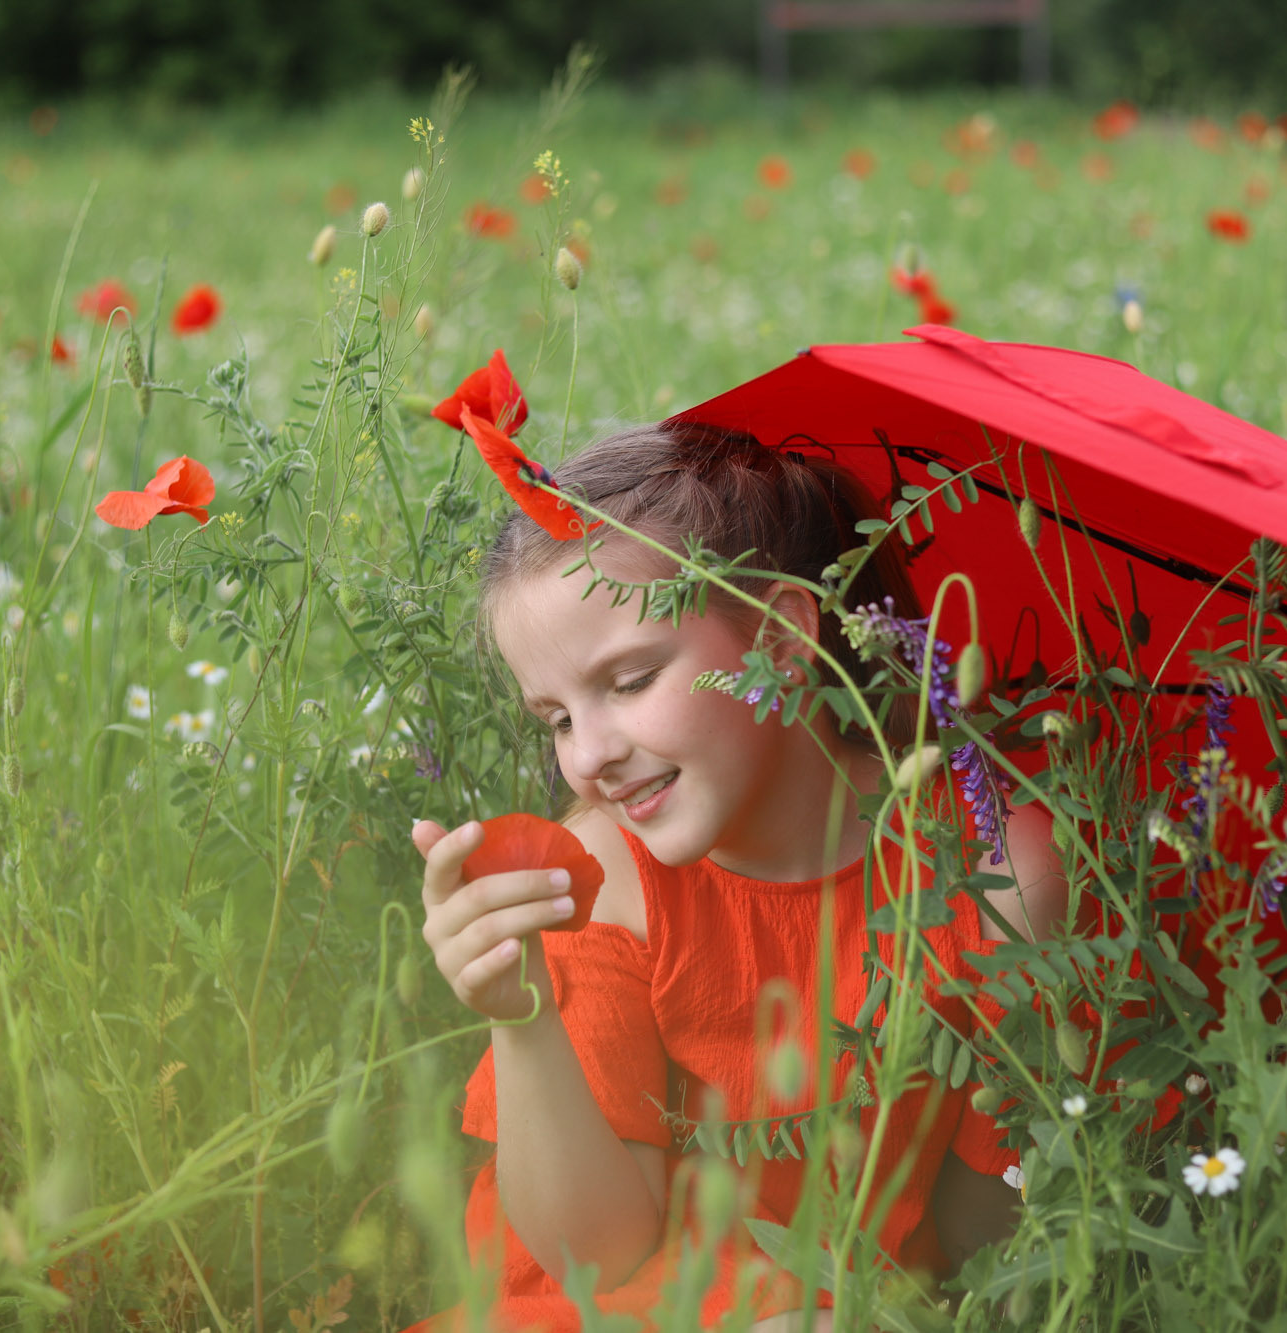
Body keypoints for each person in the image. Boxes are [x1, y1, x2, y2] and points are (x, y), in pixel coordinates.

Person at [409, 421, 1068, 1331]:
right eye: (555, 717)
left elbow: (977, 1245)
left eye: (631, 679)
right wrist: (521, 1021)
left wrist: (1040, 1021)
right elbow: (592, 1260)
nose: (589, 754)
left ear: (785, 636)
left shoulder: (994, 869)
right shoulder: (606, 874)